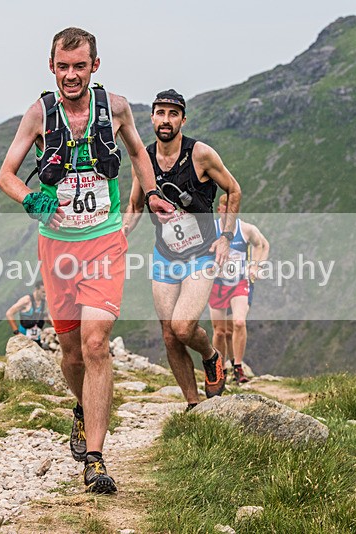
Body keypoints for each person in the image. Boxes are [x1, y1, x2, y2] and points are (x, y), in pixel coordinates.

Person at [0, 27, 174, 494]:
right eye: (63, 66)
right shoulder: (38, 114)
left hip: (103, 240)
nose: (71, 75)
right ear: (51, 67)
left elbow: (138, 151)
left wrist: (152, 193)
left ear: (95, 65)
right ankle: (82, 406)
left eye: (79, 65)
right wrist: (30, 199)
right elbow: (7, 175)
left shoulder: (114, 108)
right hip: (56, 246)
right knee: (71, 351)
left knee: (96, 344)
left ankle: (95, 459)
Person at [124, 89, 241, 412]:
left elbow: (233, 189)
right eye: (160, 113)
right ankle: (193, 405)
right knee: (168, 334)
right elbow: (134, 206)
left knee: (183, 327)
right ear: (152, 118)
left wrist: (226, 237)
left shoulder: (200, 154)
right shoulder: (143, 158)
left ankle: (211, 356)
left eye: (172, 114)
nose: (165, 120)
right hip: (165, 255)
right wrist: (120, 235)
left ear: (183, 120)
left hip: (201, 254)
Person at [208, 194, 269, 384]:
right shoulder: (212, 229)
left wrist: (256, 266)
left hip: (240, 282)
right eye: (225, 211)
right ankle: (220, 368)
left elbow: (263, 244)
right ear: (219, 211)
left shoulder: (246, 229)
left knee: (239, 323)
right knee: (220, 331)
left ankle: (238, 367)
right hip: (217, 284)